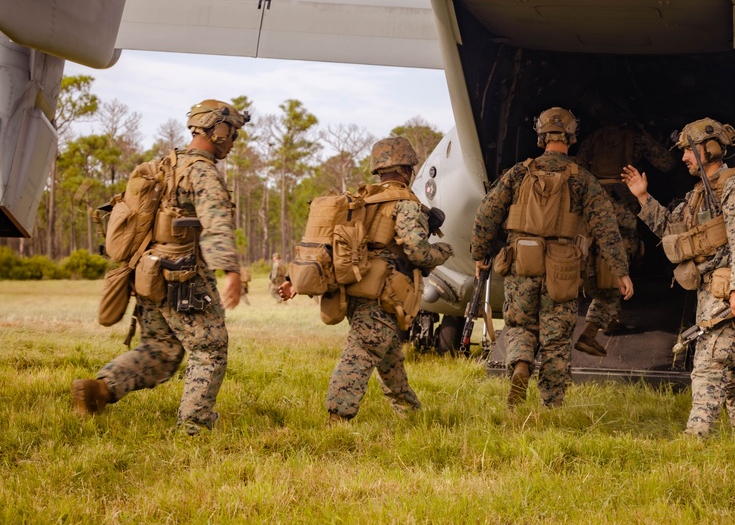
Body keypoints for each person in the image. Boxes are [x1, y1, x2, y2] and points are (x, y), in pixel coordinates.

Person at [72, 99, 248, 435]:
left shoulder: (163, 165)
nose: (233, 141)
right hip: (184, 278)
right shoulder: (202, 171)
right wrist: (232, 271)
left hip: (148, 274)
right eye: (233, 133)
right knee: (209, 349)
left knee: (161, 349)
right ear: (218, 129)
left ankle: (101, 389)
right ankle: (194, 426)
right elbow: (216, 223)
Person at [281, 136, 453, 422]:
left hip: (357, 288)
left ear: (379, 170)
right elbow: (418, 253)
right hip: (384, 293)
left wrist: (292, 279)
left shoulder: (363, 200)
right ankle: (337, 416)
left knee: (388, 356)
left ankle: (410, 414)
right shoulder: (405, 203)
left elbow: (329, 243)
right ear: (408, 168)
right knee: (360, 353)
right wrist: (444, 251)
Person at [471, 107, 634, 408]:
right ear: (572, 137)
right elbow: (607, 227)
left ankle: (520, 364)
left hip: (522, 261)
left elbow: (486, 213)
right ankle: (552, 404)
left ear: (541, 136)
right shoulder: (583, 180)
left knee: (520, 325)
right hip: (564, 267)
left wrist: (480, 254)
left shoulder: (519, 173)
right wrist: (620, 271)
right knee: (556, 340)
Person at [622, 117, 735, 437]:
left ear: (709, 150)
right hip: (707, 290)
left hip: (726, 288)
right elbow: (673, 231)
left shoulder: (734, 185)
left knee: (708, 364)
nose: (683, 157)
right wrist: (642, 197)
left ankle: (696, 438)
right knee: (728, 363)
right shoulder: (697, 193)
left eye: (689, 150)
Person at [574, 123, 677, 354]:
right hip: (624, 204)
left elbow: (578, 166)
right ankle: (607, 315)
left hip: (595, 200)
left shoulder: (594, 136)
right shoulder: (636, 137)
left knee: (595, 256)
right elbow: (666, 163)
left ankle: (605, 313)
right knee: (620, 260)